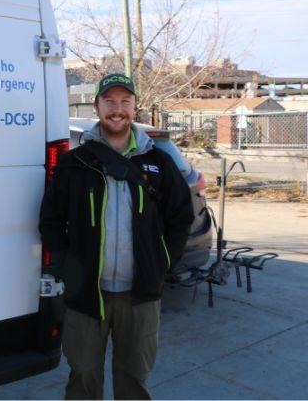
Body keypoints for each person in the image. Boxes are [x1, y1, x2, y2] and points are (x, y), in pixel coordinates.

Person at [39, 73, 194, 400]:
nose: (117, 109)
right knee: (82, 377)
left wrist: (163, 262)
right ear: (96, 106)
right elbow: (50, 219)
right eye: (109, 101)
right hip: (86, 295)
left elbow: (181, 218)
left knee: (134, 380)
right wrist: (68, 265)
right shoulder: (74, 163)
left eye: (125, 102)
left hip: (140, 296)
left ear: (135, 107)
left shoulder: (158, 163)